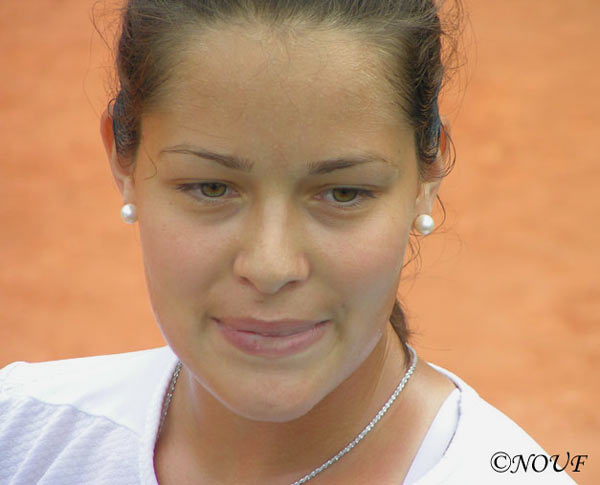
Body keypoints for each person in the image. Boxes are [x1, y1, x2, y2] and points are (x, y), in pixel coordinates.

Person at [0, 1, 577, 484]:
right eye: (211, 186)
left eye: (344, 193)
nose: (271, 266)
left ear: (428, 176)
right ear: (122, 161)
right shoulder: (19, 435)